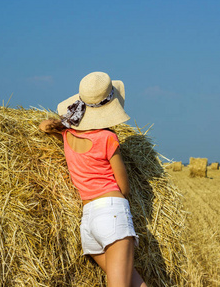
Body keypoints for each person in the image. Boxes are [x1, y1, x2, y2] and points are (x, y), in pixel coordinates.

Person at [39, 71, 147, 287]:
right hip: (111, 212)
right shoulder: (108, 138)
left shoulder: (67, 135)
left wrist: (60, 122)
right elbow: (123, 185)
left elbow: (44, 125)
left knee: (133, 282)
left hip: (89, 221)